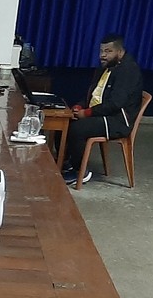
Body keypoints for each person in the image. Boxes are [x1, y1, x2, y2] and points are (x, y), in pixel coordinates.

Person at [61, 33, 144, 185]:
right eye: (101, 51)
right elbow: (93, 95)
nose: (103, 55)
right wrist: (79, 106)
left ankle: (81, 172)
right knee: (64, 122)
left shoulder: (128, 70)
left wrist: (87, 113)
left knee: (77, 129)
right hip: (101, 113)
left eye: (108, 51)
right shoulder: (105, 68)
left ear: (120, 52)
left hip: (117, 121)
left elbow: (115, 104)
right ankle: (67, 162)